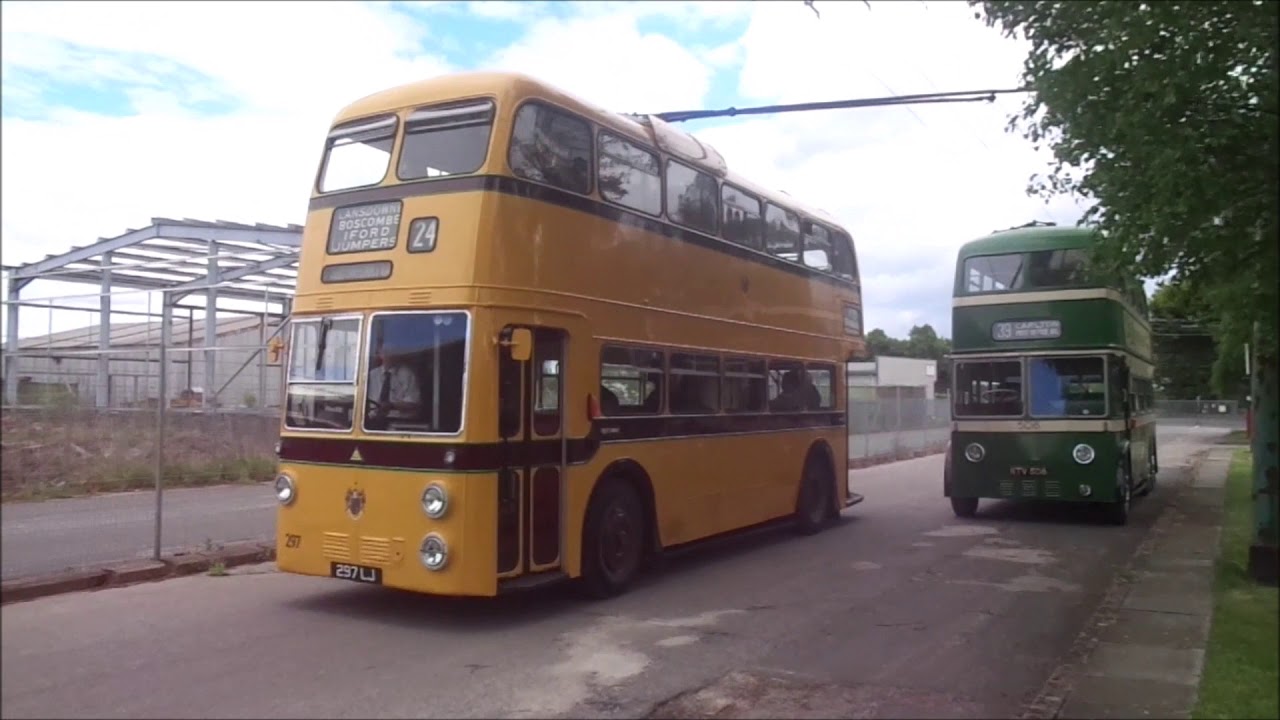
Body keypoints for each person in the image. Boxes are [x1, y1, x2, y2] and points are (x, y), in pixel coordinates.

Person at [366, 335, 421, 427]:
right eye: (385, 352)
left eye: (392, 352)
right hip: (373, 419)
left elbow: (414, 403)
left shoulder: (407, 374)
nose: (389, 355)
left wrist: (392, 405)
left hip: (399, 422)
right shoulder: (372, 375)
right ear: (380, 354)